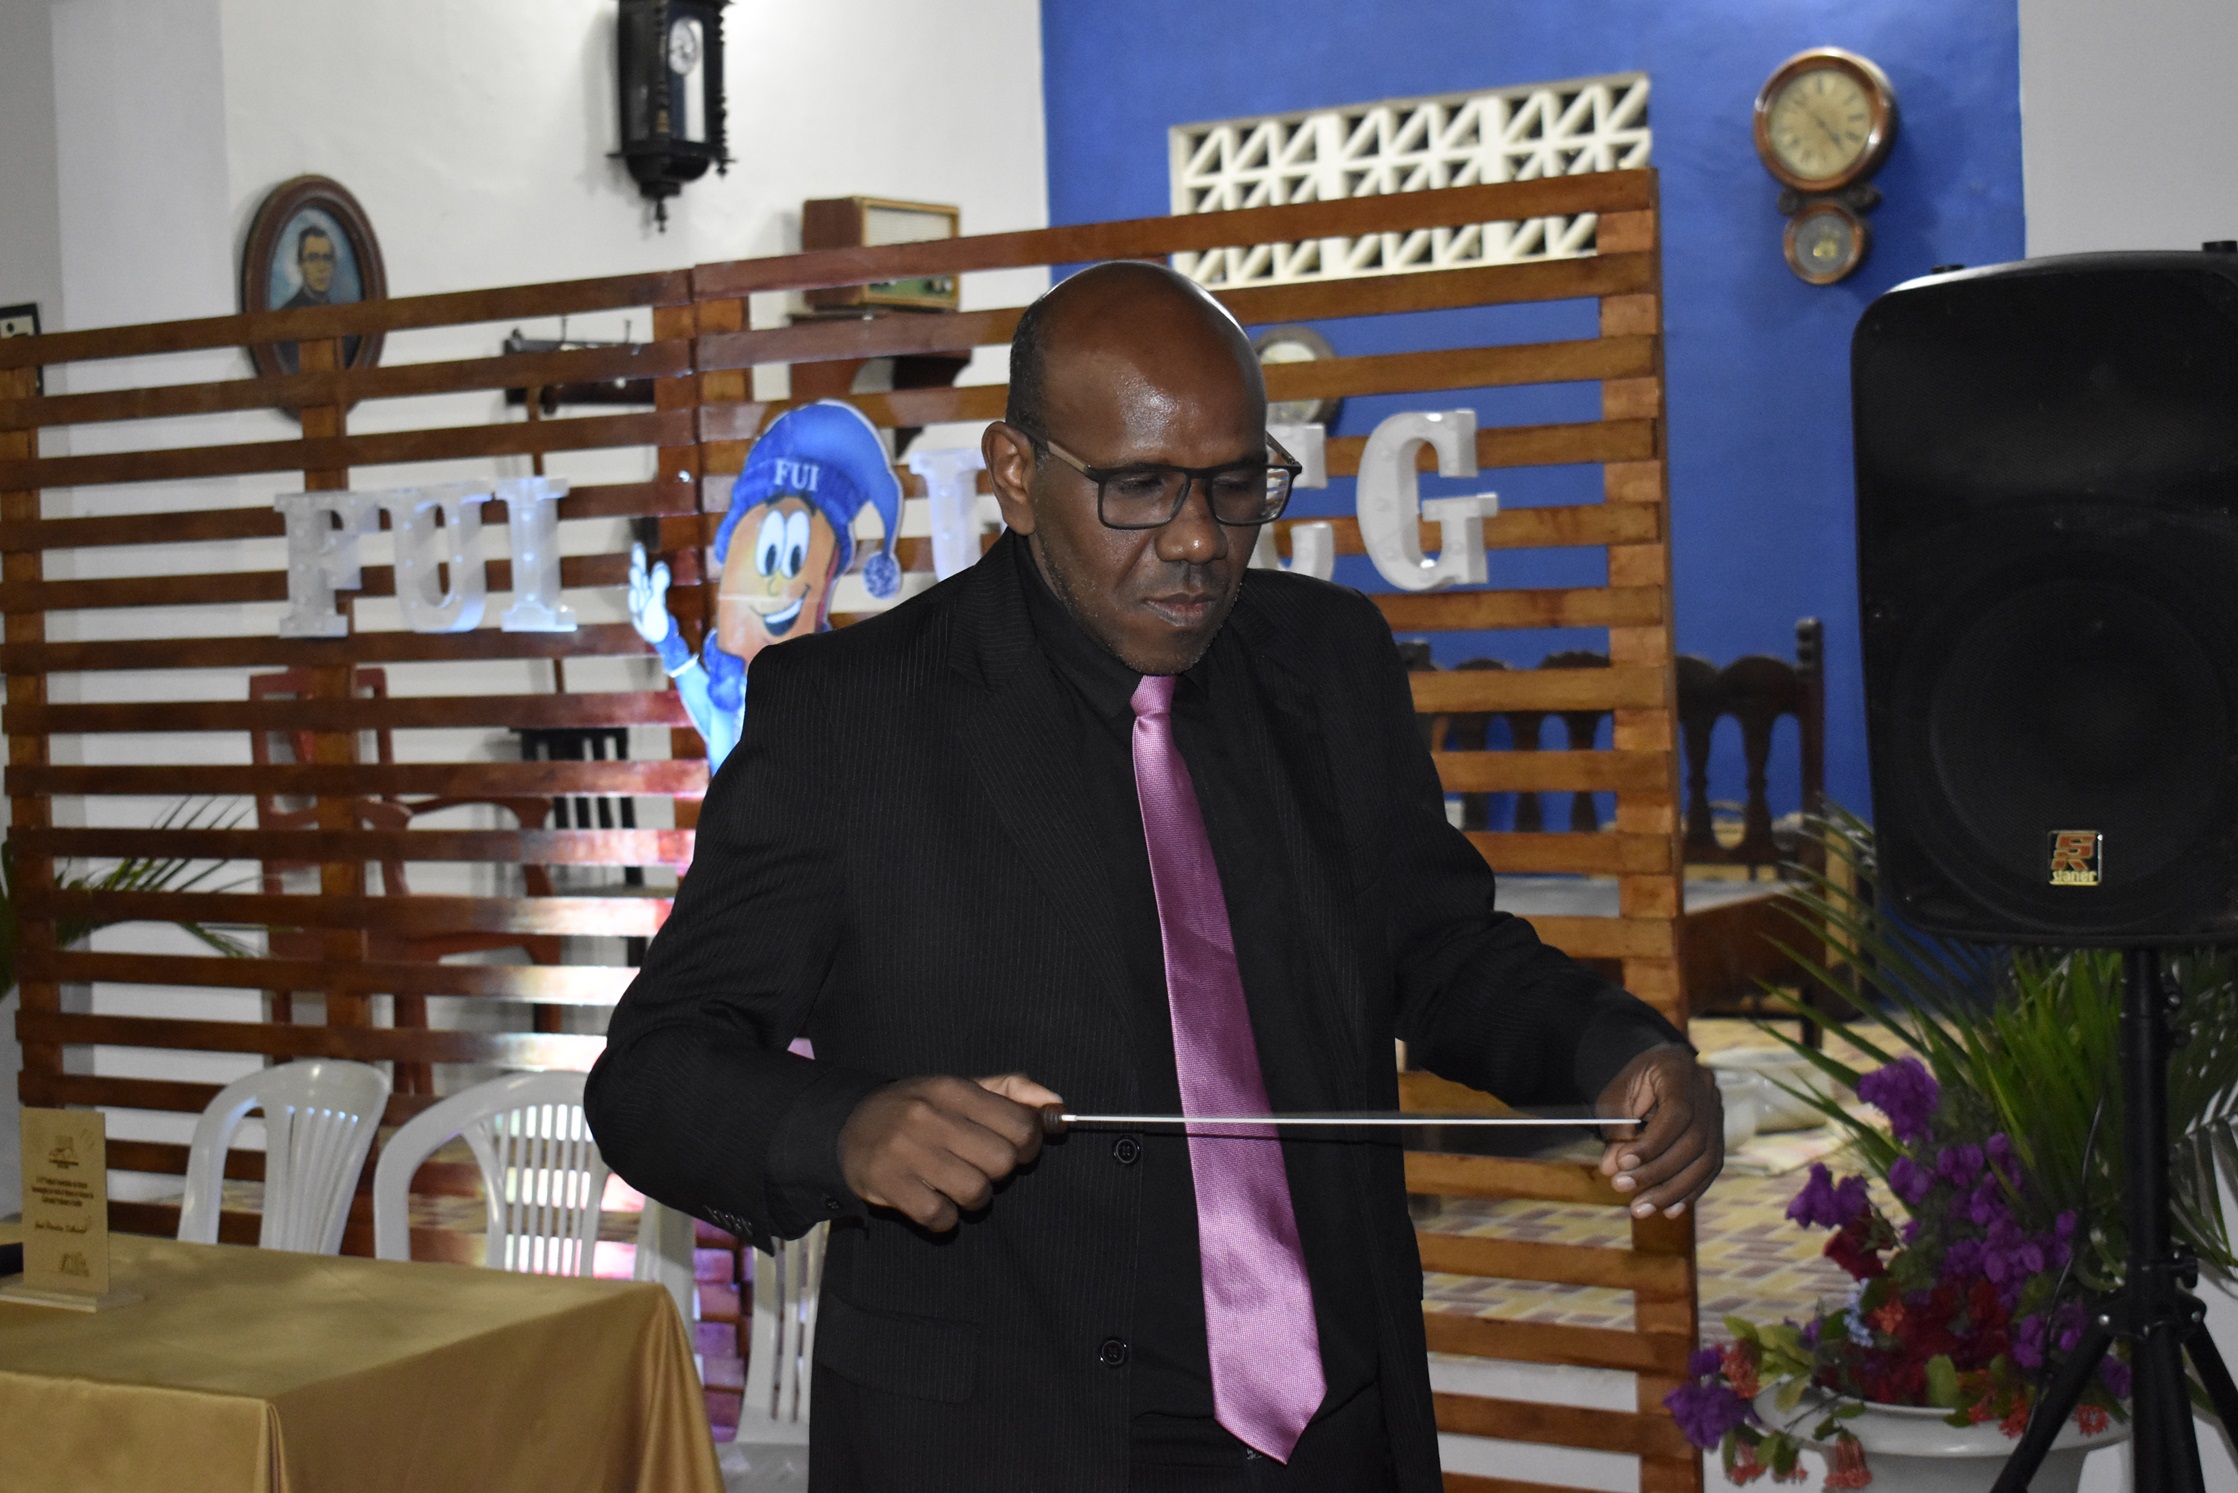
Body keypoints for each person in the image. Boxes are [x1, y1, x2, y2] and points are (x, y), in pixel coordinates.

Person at [585, 262, 1721, 1492]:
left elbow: (1439, 951)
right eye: (1138, 486)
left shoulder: (1327, 660)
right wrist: (846, 1128)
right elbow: (652, 1071)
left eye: (1235, 485)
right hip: (1010, 1441)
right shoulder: (849, 721)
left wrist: (1618, 1051)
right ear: (1016, 474)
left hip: (1338, 1428)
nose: (1196, 539)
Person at [626, 399, 903, 767]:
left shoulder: (818, 700)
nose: (773, 586)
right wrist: (667, 642)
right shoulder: (731, 690)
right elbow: (713, 720)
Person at [274, 222, 360, 373]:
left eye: (327, 258)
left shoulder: (344, 321)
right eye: (313, 258)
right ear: (301, 264)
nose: (321, 267)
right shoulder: (283, 320)